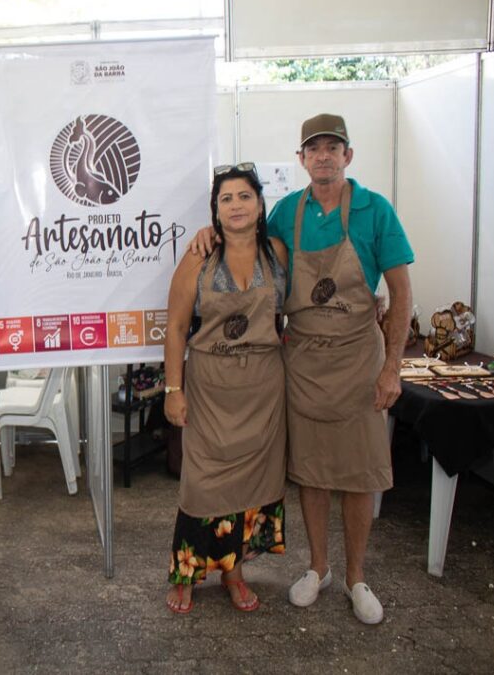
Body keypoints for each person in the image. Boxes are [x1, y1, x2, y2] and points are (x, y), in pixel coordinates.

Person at [189, 114, 414, 624]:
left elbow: (400, 294)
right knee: (312, 471)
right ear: (302, 159)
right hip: (304, 361)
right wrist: (209, 231)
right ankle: (318, 568)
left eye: (334, 147)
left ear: (348, 156)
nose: (324, 156)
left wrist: (392, 368)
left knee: (358, 475)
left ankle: (356, 575)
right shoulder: (287, 212)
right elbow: (242, 243)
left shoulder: (376, 211)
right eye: (314, 149)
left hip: (360, 360)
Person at [163, 164, 288, 615]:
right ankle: (187, 574)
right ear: (215, 210)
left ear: (259, 204)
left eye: (244, 197)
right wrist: (173, 389)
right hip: (210, 386)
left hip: (263, 388)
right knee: (201, 485)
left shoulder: (276, 252)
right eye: (226, 199)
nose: (236, 205)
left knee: (252, 486)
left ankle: (235, 573)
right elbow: (176, 327)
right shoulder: (199, 255)